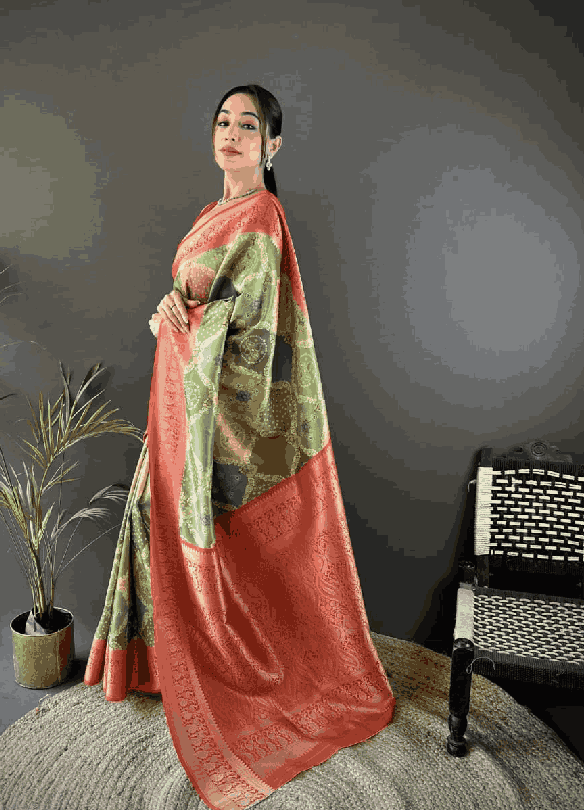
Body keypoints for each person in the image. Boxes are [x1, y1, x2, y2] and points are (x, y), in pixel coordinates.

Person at [84, 84, 395, 810]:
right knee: (154, 521)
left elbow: (255, 332)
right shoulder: (210, 215)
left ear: (272, 145)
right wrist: (168, 313)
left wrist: (189, 322)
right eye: (223, 121)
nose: (231, 133)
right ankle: (157, 667)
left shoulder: (260, 217)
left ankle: (240, 676)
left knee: (216, 543)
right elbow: (188, 307)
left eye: (247, 125)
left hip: (224, 415)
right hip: (181, 405)